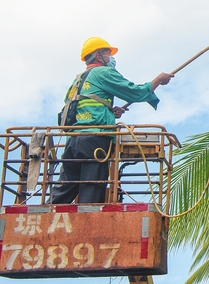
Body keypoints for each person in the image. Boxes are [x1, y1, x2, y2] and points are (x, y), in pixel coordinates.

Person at [50, 37, 174, 205]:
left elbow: (82, 107)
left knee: (64, 189)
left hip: (73, 141)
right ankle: (88, 225)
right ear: (99, 56)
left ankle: (44, 221)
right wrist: (158, 80)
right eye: (108, 54)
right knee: (91, 189)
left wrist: (108, 110)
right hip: (94, 140)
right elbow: (134, 92)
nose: (111, 58)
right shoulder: (103, 72)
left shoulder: (78, 80)